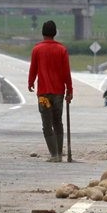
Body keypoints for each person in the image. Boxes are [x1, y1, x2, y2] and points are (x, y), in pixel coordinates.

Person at [28, 20, 73, 162]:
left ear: (42, 33)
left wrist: (30, 82)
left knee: (47, 124)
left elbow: (33, 69)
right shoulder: (62, 50)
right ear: (55, 33)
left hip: (43, 94)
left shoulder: (37, 49)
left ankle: (54, 155)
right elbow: (67, 73)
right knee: (58, 122)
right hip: (59, 93)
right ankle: (59, 154)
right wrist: (69, 90)